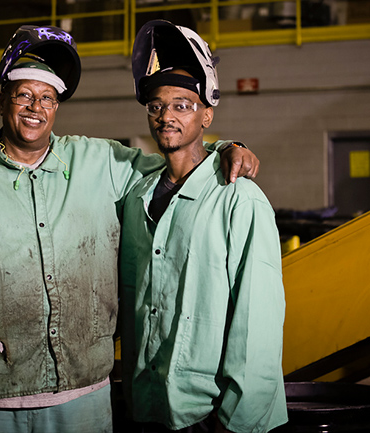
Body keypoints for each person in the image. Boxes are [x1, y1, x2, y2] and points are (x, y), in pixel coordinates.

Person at [0, 24, 260, 433]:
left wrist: (227, 148)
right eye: (23, 94)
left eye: (48, 98)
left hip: (82, 397)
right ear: (1, 98)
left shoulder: (101, 162)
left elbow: (177, 159)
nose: (35, 107)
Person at [119, 20, 287, 433]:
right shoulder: (135, 195)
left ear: (207, 115)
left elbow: (257, 322)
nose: (166, 116)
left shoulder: (238, 199)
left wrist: (240, 421)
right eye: (157, 106)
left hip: (212, 415)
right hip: (146, 405)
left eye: (182, 105)